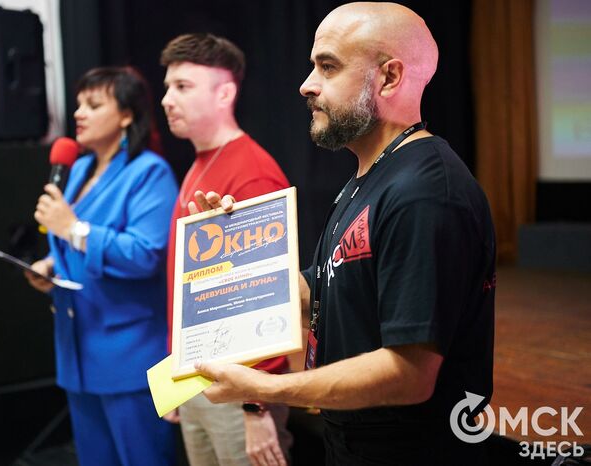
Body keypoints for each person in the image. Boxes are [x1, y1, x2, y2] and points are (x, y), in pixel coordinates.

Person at [190, 3, 497, 465]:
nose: (306, 84)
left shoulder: (425, 193)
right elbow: (324, 292)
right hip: (354, 443)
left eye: (328, 66)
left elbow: (409, 375)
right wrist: (234, 255)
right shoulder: (369, 177)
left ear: (389, 77)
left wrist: (268, 388)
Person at [24, 66, 177, 466]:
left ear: (126, 115)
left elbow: (147, 254)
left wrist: (74, 228)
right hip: (77, 350)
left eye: (93, 105)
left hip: (129, 354)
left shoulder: (149, 171)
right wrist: (49, 265)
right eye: (79, 104)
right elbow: (68, 244)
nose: (79, 113)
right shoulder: (76, 169)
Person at [160, 33, 294, 465]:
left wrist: (256, 406)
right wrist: (178, 377)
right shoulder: (200, 162)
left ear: (224, 94)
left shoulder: (252, 173)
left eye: (183, 86)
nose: (167, 99)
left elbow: (265, 300)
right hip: (199, 379)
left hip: (240, 392)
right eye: (167, 86)